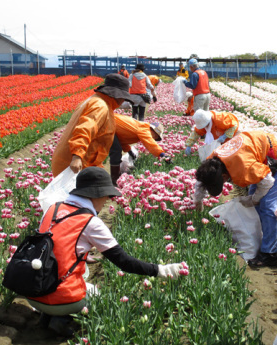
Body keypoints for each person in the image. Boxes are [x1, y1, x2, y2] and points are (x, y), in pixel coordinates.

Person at [27, 167, 184, 336]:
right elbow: (124, 262)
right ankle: (61, 321)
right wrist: (161, 270)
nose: (108, 201)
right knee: (96, 295)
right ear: (95, 195)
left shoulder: (52, 209)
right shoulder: (90, 222)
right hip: (60, 298)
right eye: (107, 196)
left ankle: (46, 317)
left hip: (32, 291)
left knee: (69, 272)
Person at [193, 131, 277, 267]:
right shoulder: (212, 163)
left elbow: (267, 181)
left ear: (224, 177)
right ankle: (260, 239)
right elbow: (201, 181)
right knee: (255, 201)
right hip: (258, 155)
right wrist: (198, 202)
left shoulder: (241, 167)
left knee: (267, 204)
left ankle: (270, 254)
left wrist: (254, 200)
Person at [51, 74, 133, 177]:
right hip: (74, 166)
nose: (123, 101)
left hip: (79, 162)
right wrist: (77, 156)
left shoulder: (96, 101)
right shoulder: (100, 106)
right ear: (116, 95)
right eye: (123, 97)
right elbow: (85, 128)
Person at [109, 114, 171, 185]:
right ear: (154, 132)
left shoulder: (142, 128)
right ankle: (115, 179)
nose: (154, 139)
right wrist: (162, 154)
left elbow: (122, 139)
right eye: (156, 137)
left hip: (111, 125)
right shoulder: (145, 129)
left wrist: (129, 151)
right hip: (109, 125)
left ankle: (115, 178)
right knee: (116, 151)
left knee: (116, 149)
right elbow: (150, 143)